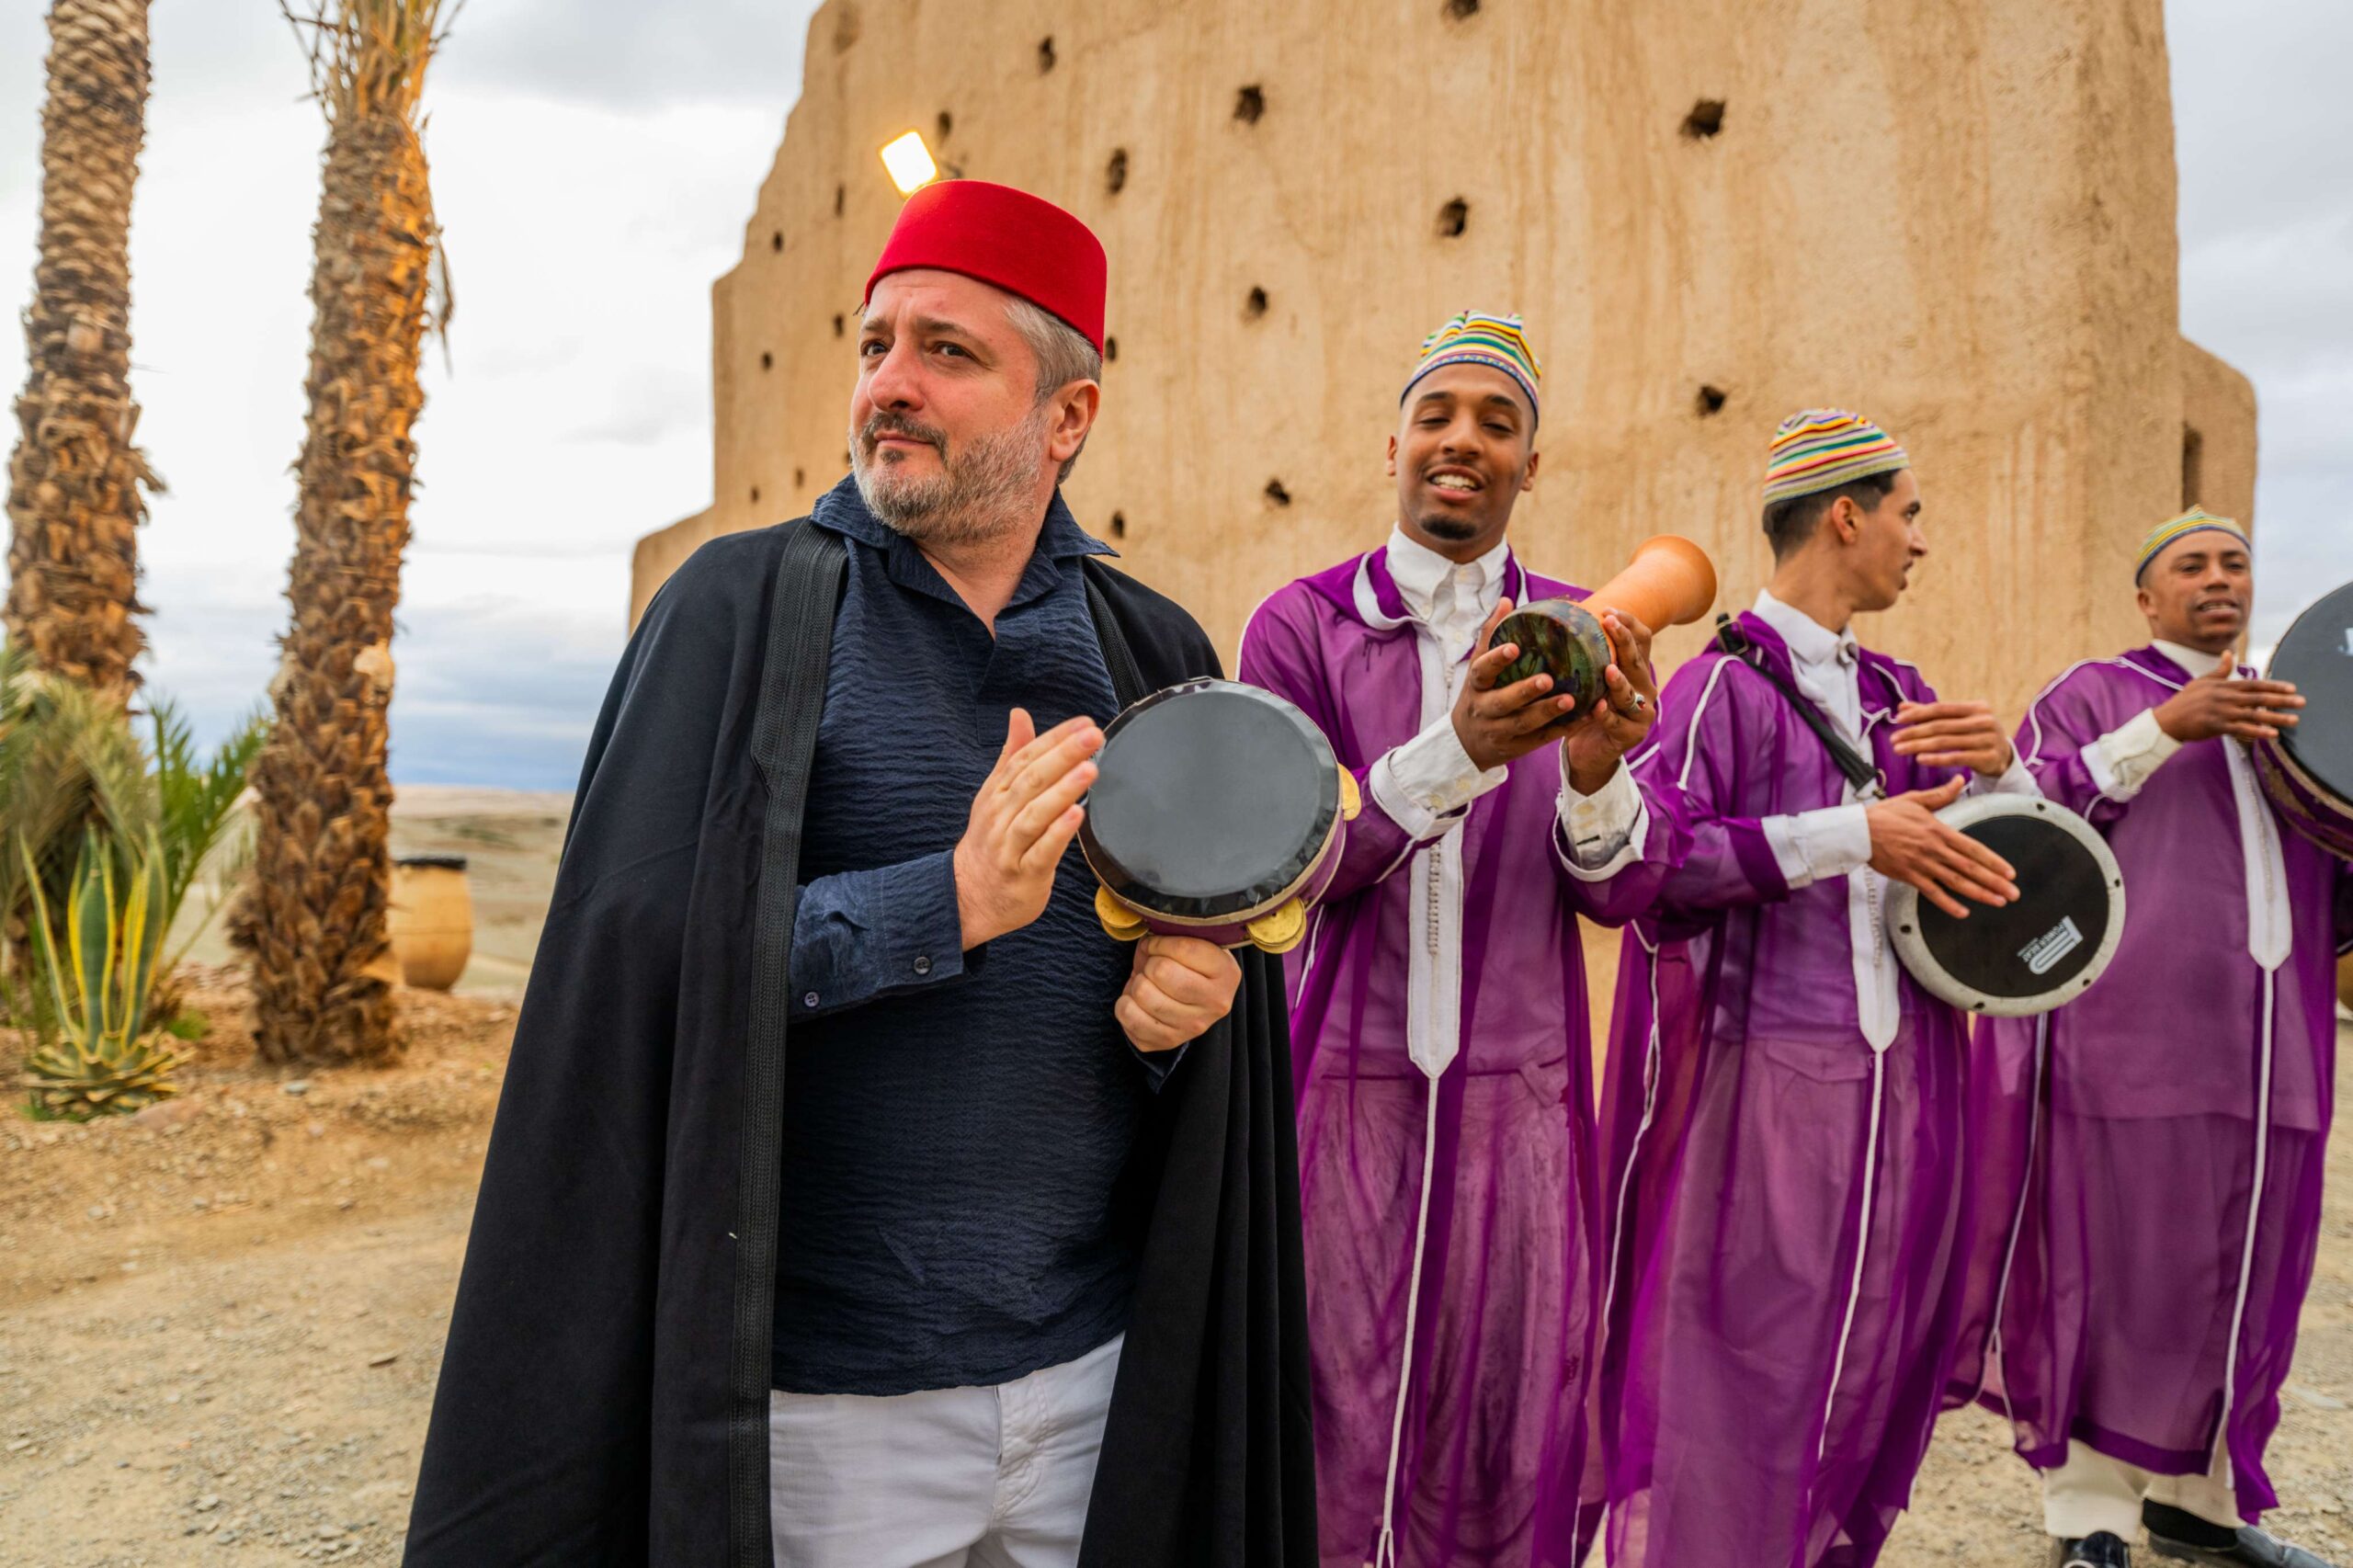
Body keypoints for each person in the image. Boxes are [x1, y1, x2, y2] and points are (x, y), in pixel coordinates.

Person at [404, 180, 1316, 1568]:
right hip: (826, 1416)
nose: (891, 381)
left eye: (947, 351)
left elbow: (1191, 985)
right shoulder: (734, 613)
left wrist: (1176, 1021)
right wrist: (943, 904)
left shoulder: (1154, 649)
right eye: (876, 342)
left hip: (1095, 1384)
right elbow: (639, 976)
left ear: (1067, 415)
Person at [1238, 312, 1675, 1567]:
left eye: (1498, 422)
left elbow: (1618, 893)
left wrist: (1595, 771)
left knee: (1507, 1421)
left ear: (1532, 464)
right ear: (1394, 446)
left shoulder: (1588, 630)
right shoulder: (1302, 627)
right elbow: (1288, 866)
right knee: (1317, 1404)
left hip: (1522, 1107)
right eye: (1436, 415)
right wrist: (1460, 751)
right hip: (1338, 1095)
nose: (1462, 441)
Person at [1592, 410, 2033, 1567]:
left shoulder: (1899, 691)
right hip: (1761, 1097)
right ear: (1845, 515)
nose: (1918, 540)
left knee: (1867, 1358)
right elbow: (1660, 865)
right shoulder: (1714, 690)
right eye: (1908, 513)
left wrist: (2005, 771)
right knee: (1744, 1370)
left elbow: (1993, 869)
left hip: (1908, 1093)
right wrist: (1851, 834)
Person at [1955, 509, 2349, 1568]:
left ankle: (2197, 1503)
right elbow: (2029, 816)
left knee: (2239, 1271)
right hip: (2122, 1048)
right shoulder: (2094, 692)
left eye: (2235, 562)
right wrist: (2168, 726)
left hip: (2272, 1052)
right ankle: (2088, 1515)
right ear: (2146, 596)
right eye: (2191, 564)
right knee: (2111, 1271)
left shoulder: (2292, 714)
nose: (2218, 578)